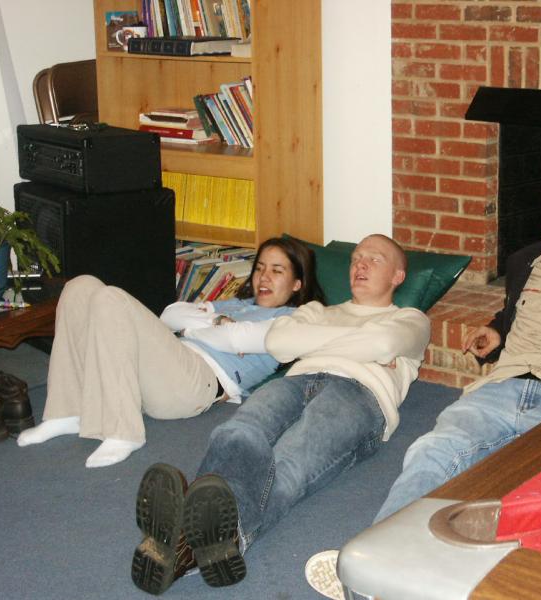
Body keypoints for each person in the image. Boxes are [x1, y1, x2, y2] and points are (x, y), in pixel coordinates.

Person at [302, 161, 541, 600]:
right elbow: (513, 313)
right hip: (500, 390)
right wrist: (497, 330)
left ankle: (400, 579)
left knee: (528, 496)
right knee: (433, 451)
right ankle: (371, 568)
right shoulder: (527, 262)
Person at [130, 234, 431, 596]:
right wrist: (361, 344)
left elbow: (383, 343)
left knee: (290, 462)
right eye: (356, 258)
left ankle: (187, 540)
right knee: (238, 432)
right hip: (297, 380)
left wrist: (316, 340)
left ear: (398, 276)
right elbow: (278, 342)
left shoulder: (410, 319)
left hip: (360, 393)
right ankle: (201, 545)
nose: (360, 265)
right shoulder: (317, 310)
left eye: (374, 259)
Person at [17, 237, 323, 468]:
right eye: (260, 268)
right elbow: (171, 315)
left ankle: (124, 432)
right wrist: (216, 322)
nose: (264, 277)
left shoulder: (291, 320)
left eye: (277, 271)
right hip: (167, 363)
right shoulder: (236, 305)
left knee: (111, 299)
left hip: (196, 384)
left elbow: (236, 338)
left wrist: (197, 328)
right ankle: (67, 412)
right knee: (81, 286)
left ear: (297, 283)